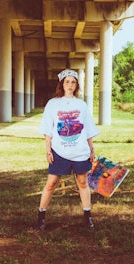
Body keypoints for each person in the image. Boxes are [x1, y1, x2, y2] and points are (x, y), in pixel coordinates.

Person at [36, 69, 99, 230]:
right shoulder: (53, 103)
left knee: (82, 182)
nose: (70, 85)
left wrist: (92, 150)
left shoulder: (81, 104)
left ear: (76, 84)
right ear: (62, 84)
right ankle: (41, 216)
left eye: (73, 82)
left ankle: (87, 216)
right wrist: (48, 150)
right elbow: (47, 129)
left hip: (80, 151)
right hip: (59, 150)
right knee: (51, 183)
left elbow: (88, 129)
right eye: (67, 82)